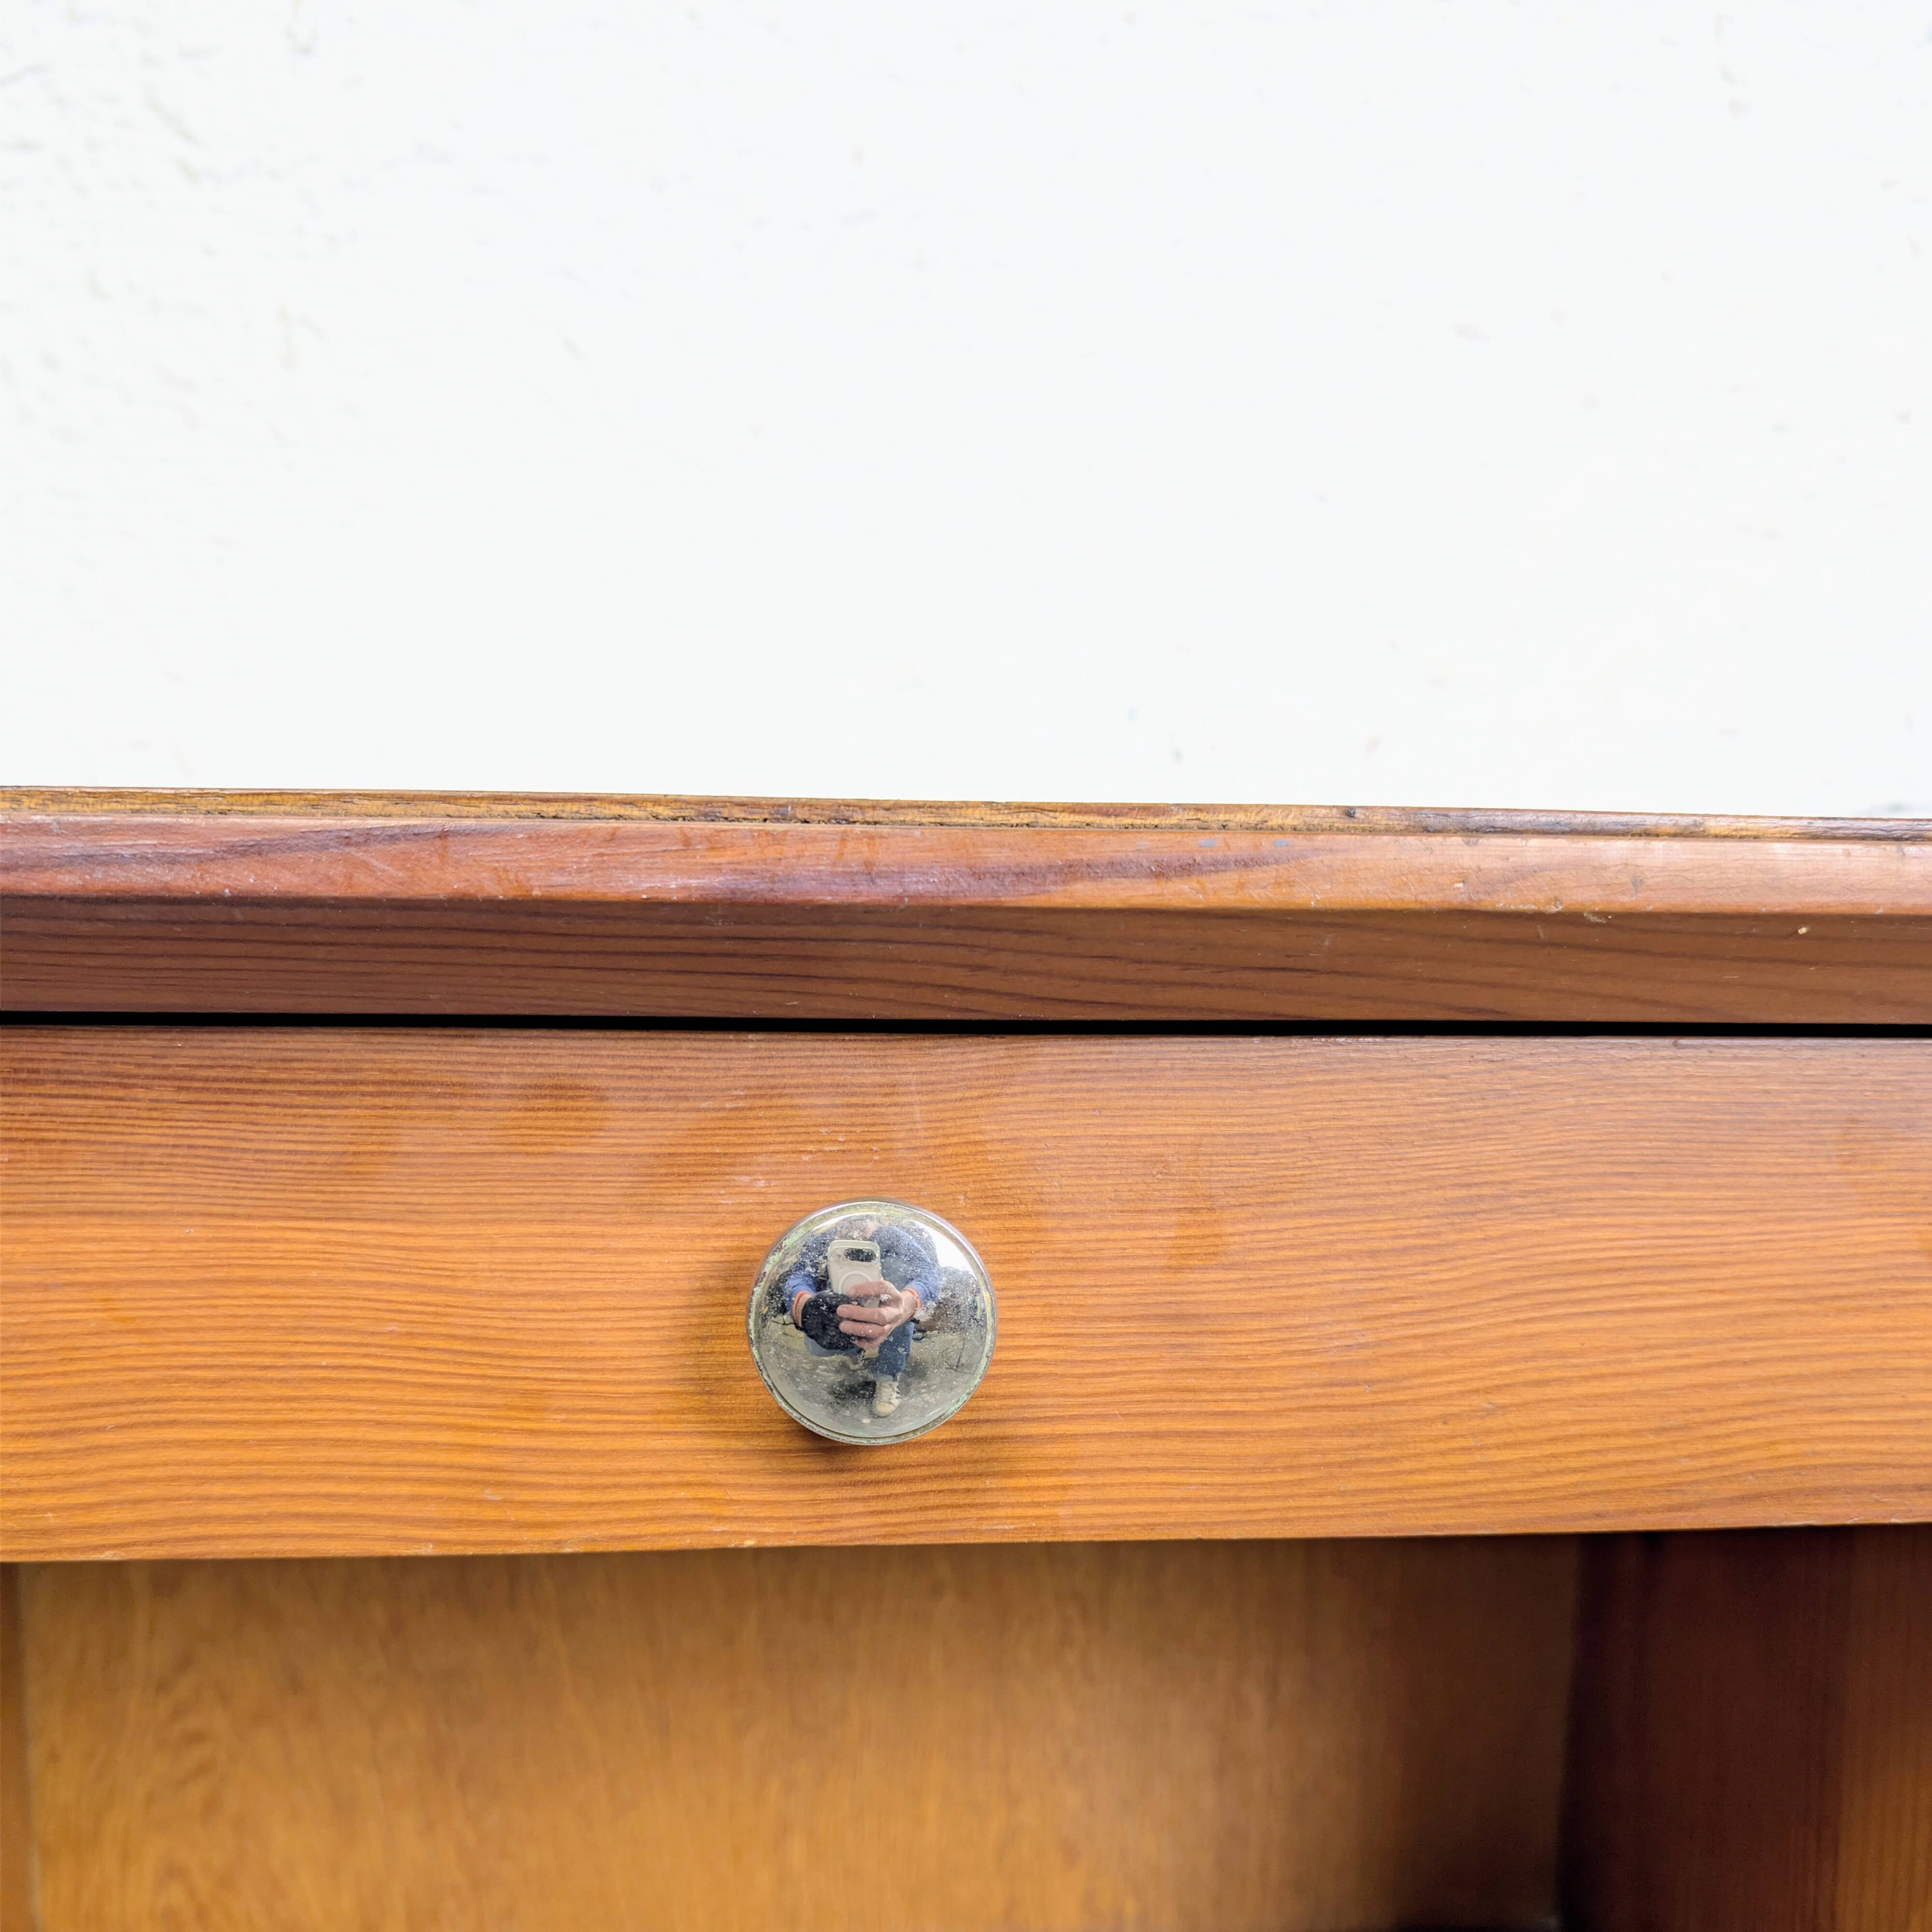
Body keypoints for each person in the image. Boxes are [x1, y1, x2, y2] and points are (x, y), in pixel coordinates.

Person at [775, 1212, 938, 1417]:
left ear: (876, 1221)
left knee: (898, 1318)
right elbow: (799, 1276)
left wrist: (904, 1305)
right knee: (815, 1345)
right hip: (838, 1307)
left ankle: (888, 1375)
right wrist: (807, 1309)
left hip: (888, 1308)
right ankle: (855, 1349)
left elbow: (929, 1275)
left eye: (863, 1225)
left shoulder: (894, 1237)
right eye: (849, 1224)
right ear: (840, 1221)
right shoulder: (826, 1238)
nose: (855, 1232)